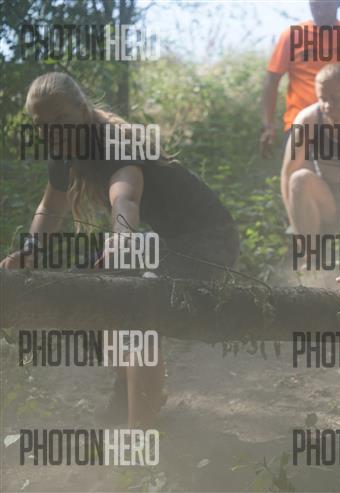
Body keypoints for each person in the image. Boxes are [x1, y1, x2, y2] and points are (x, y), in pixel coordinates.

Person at [0, 72, 240, 428]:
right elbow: (51, 206)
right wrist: (31, 248)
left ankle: (139, 427)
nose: (52, 132)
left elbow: (125, 198)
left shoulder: (116, 142)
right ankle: (134, 385)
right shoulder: (62, 152)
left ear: (82, 110)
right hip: (167, 242)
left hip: (209, 241)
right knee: (83, 290)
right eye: (41, 125)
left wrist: (122, 237)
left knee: (135, 302)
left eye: (60, 119)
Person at [260, 0, 340, 157]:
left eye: (325, 5)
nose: (320, 11)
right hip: (301, 125)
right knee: (299, 172)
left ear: (338, 3)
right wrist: (268, 125)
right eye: (315, 5)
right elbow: (272, 80)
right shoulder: (292, 35)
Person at [281, 64, 340, 234]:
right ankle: (308, 248)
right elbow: (287, 173)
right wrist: (295, 224)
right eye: (323, 98)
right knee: (299, 178)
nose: (328, 105)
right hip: (327, 200)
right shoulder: (307, 120)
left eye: (335, 98)